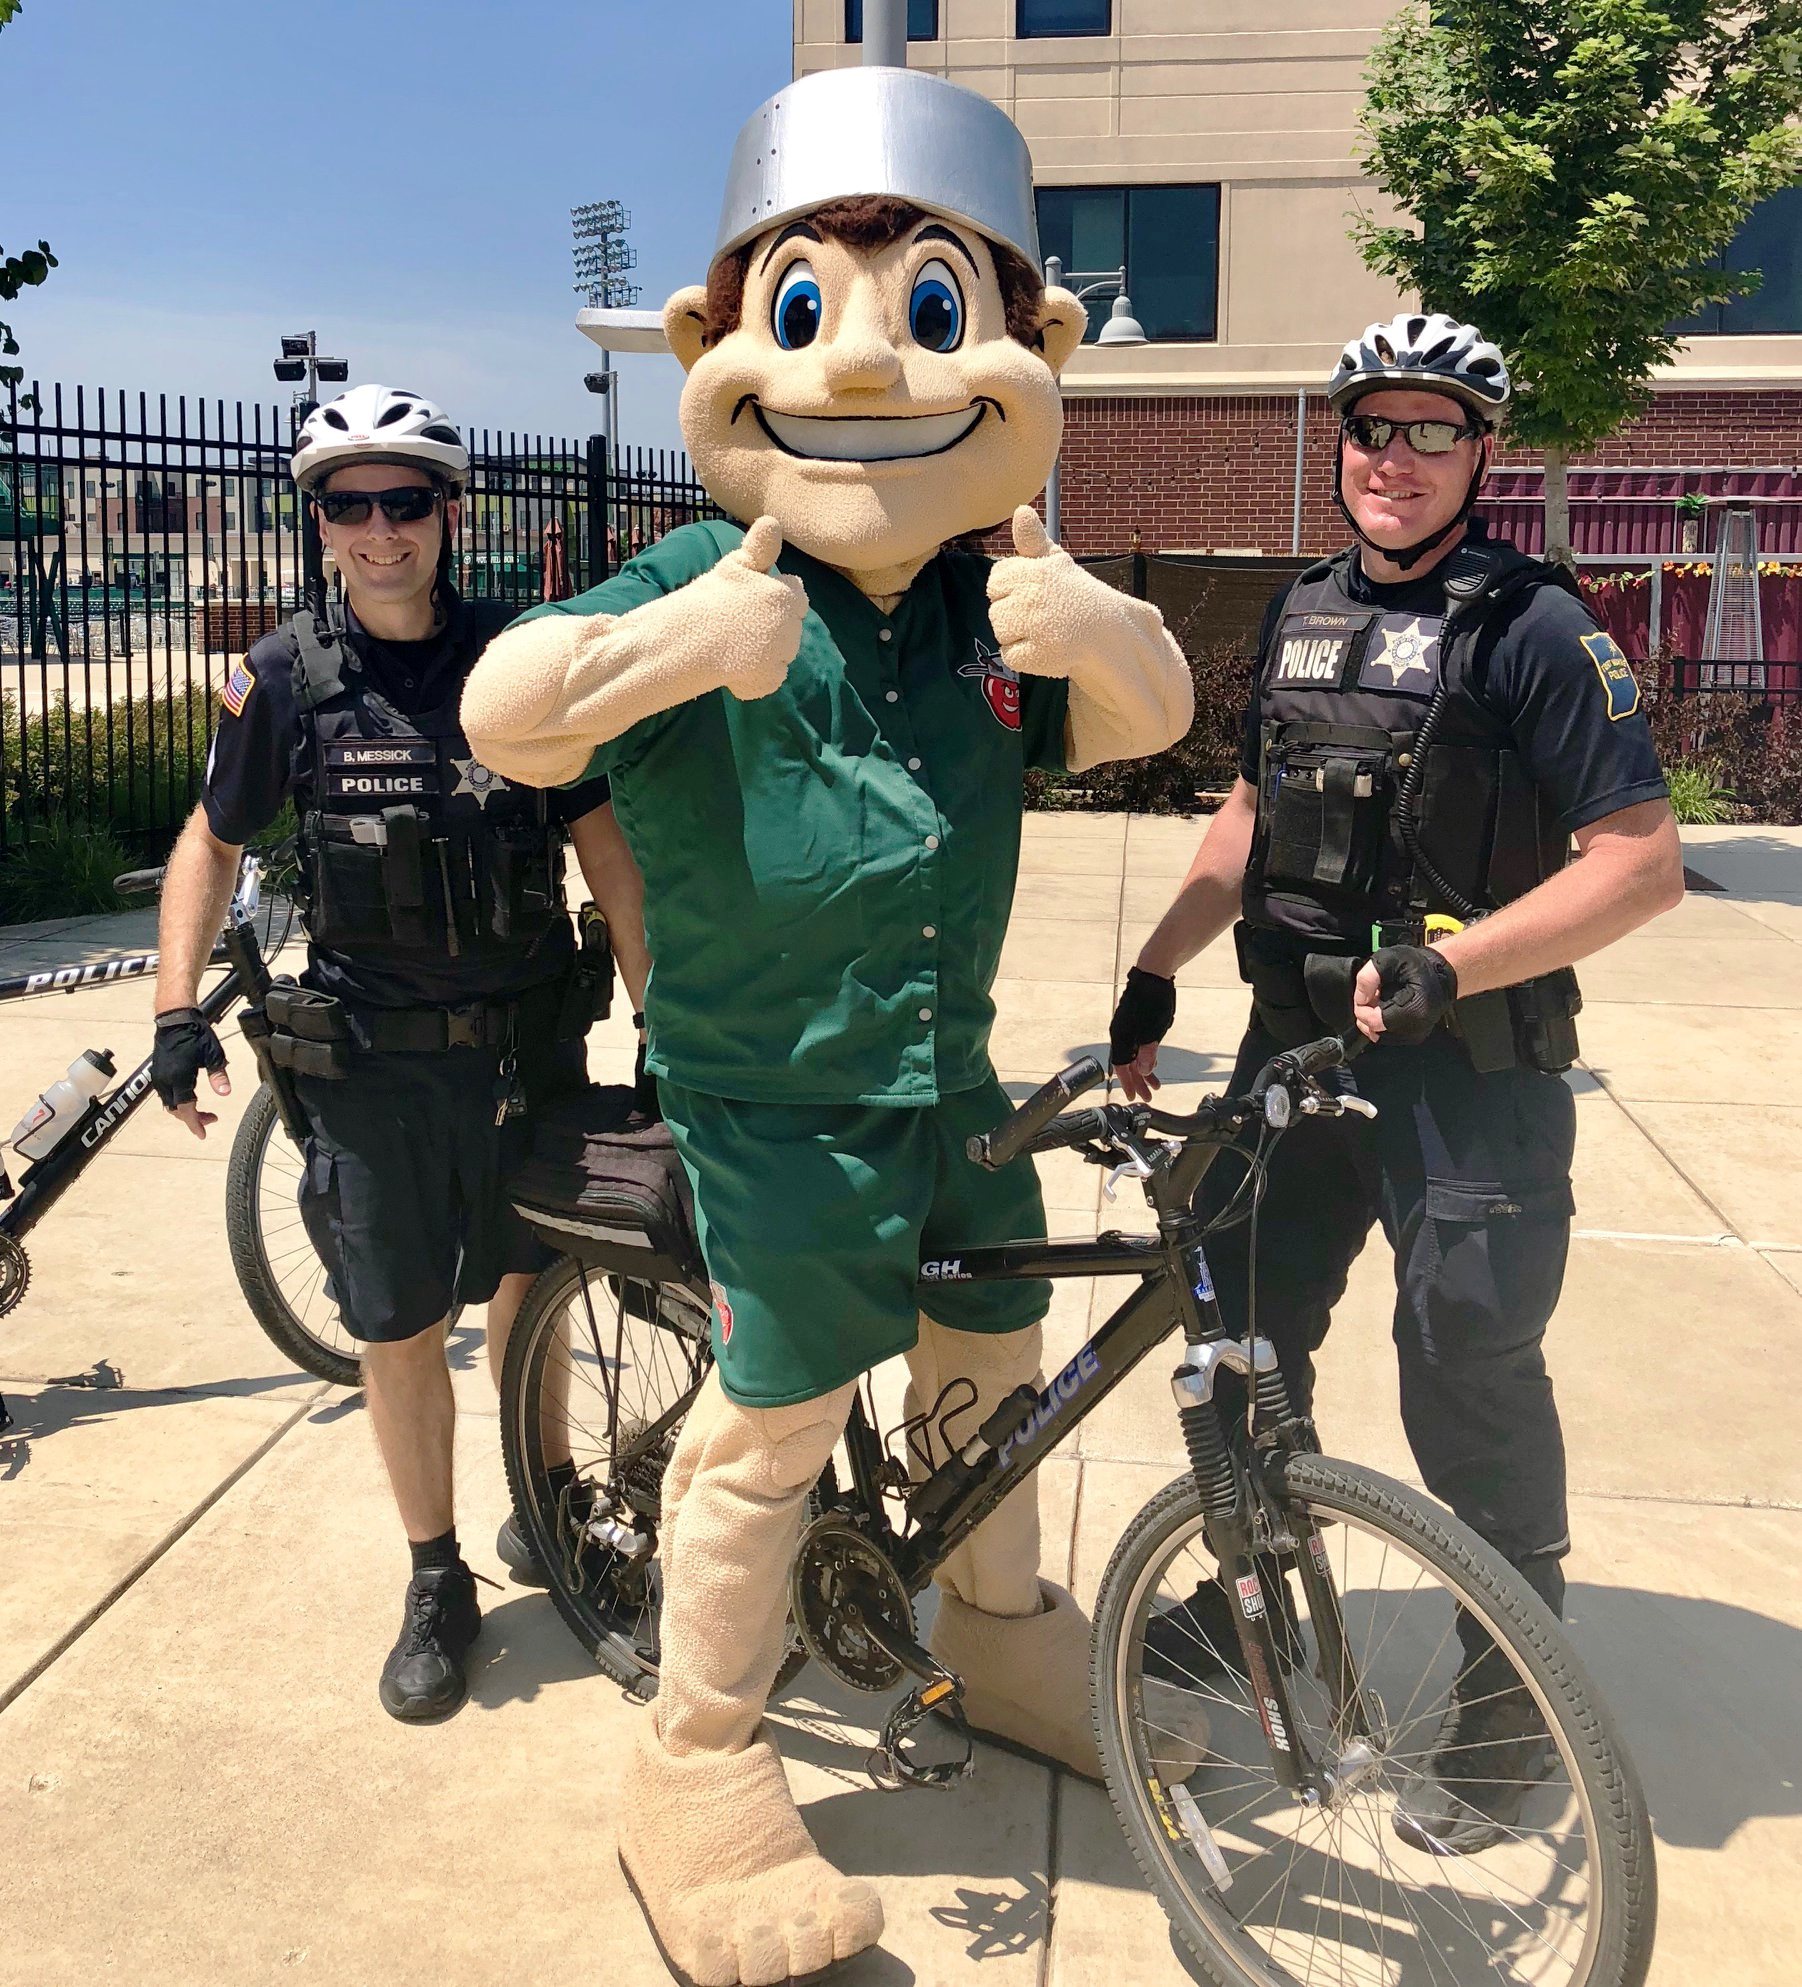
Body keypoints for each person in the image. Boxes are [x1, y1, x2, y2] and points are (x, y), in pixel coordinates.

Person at [460, 67, 1194, 1987]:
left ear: (1018, 349)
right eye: (807, 309)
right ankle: (695, 1755)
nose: (868, 364)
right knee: (773, 1425)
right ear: (726, 342)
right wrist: (673, 650)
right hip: (764, 1093)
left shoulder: (984, 590)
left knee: (993, 1350)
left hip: (946, 1076)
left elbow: (1157, 717)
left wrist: (1095, 628)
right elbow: (507, 711)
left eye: (929, 310)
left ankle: (1001, 1624)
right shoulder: (709, 573)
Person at [1109, 312, 1684, 1852]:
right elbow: (1246, 812)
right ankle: (1262, 1612)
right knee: (1239, 1343)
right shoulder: (1300, 613)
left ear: (1482, 451)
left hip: (1463, 1077)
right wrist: (1157, 966)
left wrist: (1454, 964)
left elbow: (1640, 869)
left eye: (1432, 430)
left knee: (1469, 1372)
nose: (1395, 459)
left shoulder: (1543, 631)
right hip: (1287, 1061)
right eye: (1372, 427)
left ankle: (1507, 1718)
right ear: (1342, 441)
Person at [150, 383, 652, 1723]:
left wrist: (662, 1013)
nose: (379, 533)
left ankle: (546, 1509)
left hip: (527, 1047)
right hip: (370, 1070)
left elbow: (603, 845)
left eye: (405, 502)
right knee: (400, 1324)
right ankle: (437, 1577)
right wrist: (173, 1011)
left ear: (449, 511)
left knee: (532, 1286)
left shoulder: (519, 667)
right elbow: (212, 838)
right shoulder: (279, 680)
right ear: (318, 521)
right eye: (349, 505)